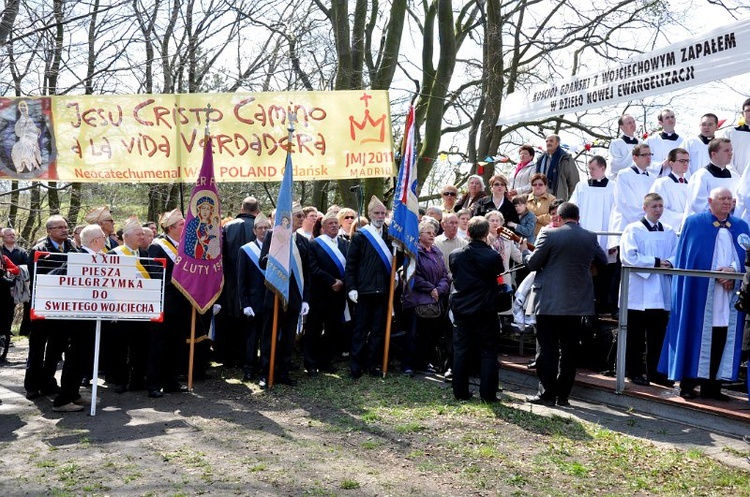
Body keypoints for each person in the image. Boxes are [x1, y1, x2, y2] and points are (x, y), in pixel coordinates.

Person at [659, 187, 750, 401]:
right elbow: (691, 257)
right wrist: (716, 274)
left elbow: (747, 258)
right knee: (695, 332)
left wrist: (733, 271)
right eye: (722, 199)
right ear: (710, 201)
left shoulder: (741, 226)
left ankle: (713, 386)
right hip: (699, 294)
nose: (727, 203)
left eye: (730, 199)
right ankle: (688, 384)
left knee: (722, 336)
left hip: (730, 295)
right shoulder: (695, 223)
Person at [524, 202, 607, 407]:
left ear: (559, 218)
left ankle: (547, 394)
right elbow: (603, 261)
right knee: (570, 352)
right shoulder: (590, 236)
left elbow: (533, 264)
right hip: (577, 304)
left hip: (549, 302)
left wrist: (525, 253)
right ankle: (563, 396)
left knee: (548, 350)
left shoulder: (549, 234)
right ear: (578, 218)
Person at [620, 193, 678, 387]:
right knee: (635, 335)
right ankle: (634, 371)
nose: (658, 210)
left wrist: (668, 262)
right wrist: (655, 262)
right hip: (638, 291)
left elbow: (676, 254)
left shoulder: (669, 231)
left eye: (661, 206)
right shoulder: (633, 229)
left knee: (658, 335)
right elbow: (629, 256)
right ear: (645, 208)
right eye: (654, 206)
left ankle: (656, 372)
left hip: (660, 291)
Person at [449, 216, 504, 402]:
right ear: (486, 234)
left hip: (462, 309)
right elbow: (497, 272)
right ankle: (488, 394)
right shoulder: (492, 255)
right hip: (485, 309)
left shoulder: (456, 255)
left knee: (461, 350)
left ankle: (460, 392)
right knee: (488, 351)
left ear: (469, 233)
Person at [24, 215, 76, 400]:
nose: (65, 230)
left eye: (66, 226)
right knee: (37, 348)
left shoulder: (72, 248)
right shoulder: (38, 250)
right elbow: (37, 278)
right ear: (49, 231)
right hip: (42, 307)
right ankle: (31, 385)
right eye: (59, 227)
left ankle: (48, 383)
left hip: (63, 308)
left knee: (56, 349)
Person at [258, 202, 311, 388]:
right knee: (269, 336)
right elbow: (262, 263)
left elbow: (307, 272)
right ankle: (266, 372)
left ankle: (283, 372)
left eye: (302, 216)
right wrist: (276, 252)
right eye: (298, 216)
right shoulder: (273, 236)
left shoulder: (303, 241)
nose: (301, 219)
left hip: (295, 296)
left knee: (288, 337)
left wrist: (306, 298)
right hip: (274, 294)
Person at [345, 196, 393, 378]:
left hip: (384, 291)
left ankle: (372, 365)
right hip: (364, 291)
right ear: (369, 214)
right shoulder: (360, 236)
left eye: (383, 213)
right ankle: (355, 367)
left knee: (378, 331)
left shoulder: (392, 235)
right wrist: (352, 288)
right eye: (377, 213)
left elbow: (400, 259)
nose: (380, 216)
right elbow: (351, 265)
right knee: (359, 331)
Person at [146, 209, 190, 398]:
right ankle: (154, 384)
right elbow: (156, 275)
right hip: (165, 303)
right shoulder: (157, 246)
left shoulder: (185, 245)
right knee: (159, 345)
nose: (185, 227)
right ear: (171, 227)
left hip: (182, 303)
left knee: (177, 344)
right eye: (181, 224)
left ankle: (171, 381)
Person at [401, 220, 450, 375]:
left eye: (433, 232)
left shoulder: (436, 252)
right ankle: (408, 364)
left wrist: (439, 289)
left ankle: (423, 362)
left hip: (434, 301)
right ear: (419, 235)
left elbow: (445, 274)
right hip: (416, 301)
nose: (432, 235)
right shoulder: (413, 252)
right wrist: (431, 289)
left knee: (429, 336)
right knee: (413, 334)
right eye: (428, 232)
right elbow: (412, 275)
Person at [106, 217, 150, 393]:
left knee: (140, 347)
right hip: (120, 310)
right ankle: (120, 380)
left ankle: (138, 380)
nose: (142, 237)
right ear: (127, 236)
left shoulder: (145, 254)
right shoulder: (113, 255)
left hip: (142, 309)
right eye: (139, 234)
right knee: (119, 348)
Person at [569, 155, 617, 313]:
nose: (590, 172)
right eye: (589, 169)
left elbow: (617, 214)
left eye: (593, 169)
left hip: (606, 237)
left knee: (605, 272)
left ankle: (603, 306)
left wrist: (613, 241)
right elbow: (572, 209)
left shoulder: (614, 187)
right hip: (585, 235)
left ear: (603, 168)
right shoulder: (581, 186)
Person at [217, 196, 260, 368]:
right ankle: (246, 357)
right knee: (249, 321)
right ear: (257, 210)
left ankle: (227, 357)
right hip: (253, 280)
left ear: (242, 208)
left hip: (230, 278)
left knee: (229, 318)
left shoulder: (227, 227)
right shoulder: (261, 228)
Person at [306, 211, 350, 376]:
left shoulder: (345, 244)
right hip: (319, 293)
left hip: (338, 294)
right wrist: (332, 281)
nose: (333, 226)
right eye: (329, 223)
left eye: (335, 223)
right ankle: (310, 363)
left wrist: (342, 282)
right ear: (323, 227)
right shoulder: (314, 244)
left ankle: (326, 360)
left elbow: (350, 266)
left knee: (333, 329)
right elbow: (313, 268)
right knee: (314, 329)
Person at [237, 213, 271, 382]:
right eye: (260, 228)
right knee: (252, 338)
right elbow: (241, 279)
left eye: (266, 227)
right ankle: (249, 369)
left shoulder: (276, 249)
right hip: (253, 302)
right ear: (254, 230)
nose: (263, 231)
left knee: (267, 338)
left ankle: (266, 368)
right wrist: (245, 303)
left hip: (271, 302)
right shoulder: (246, 249)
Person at [609, 144, 656, 248]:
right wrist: (645, 220)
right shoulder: (624, 175)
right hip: (626, 225)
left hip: (647, 229)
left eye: (650, 154)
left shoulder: (653, 178)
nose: (648, 157)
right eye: (644, 155)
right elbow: (625, 203)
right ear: (634, 157)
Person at [685, 138, 740, 222]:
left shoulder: (735, 177)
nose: (730, 153)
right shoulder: (701, 176)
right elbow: (698, 205)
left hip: (730, 224)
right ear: (714, 154)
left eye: (731, 150)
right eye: (726, 150)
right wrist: (726, 207)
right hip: (705, 224)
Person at [649, 148, 690, 230]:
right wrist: (684, 218)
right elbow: (656, 208)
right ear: (671, 163)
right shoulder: (661, 183)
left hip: (688, 229)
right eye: (682, 161)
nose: (685, 164)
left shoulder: (691, 184)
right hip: (669, 229)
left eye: (687, 161)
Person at [1, 228, 28, 347]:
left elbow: (26, 267)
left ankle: (6, 335)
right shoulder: (1, 251)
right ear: (3, 237)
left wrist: (16, 271)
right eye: (9, 235)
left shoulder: (21, 252)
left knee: (9, 311)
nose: (12, 236)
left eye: (13, 234)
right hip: (1, 285)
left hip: (15, 287)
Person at [534, 134, 579, 200]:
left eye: (551, 141)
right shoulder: (541, 159)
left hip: (558, 198)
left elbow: (573, 180)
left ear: (557, 143)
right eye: (547, 141)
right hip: (540, 197)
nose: (548, 143)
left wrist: (571, 199)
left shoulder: (565, 159)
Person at [645, 108, 685, 176]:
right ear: (660, 122)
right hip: (656, 180)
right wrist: (661, 165)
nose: (670, 119)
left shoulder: (683, 142)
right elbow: (643, 160)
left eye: (672, 117)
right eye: (667, 118)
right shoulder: (650, 141)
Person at [434, 213, 468, 278]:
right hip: (440, 281)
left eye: (456, 223)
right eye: (451, 223)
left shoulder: (464, 243)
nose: (454, 226)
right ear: (443, 225)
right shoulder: (435, 243)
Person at [723, 97, 750, 175]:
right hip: (733, 177)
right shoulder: (730, 132)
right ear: (742, 113)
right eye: (748, 110)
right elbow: (723, 155)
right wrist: (734, 175)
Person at [608, 113, 639, 179]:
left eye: (633, 122)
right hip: (622, 179)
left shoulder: (641, 143)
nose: (633, 124)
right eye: (629, 123)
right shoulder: (616, 143)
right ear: (621, 127)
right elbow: (615, 165)